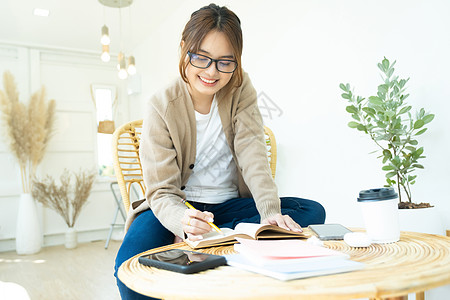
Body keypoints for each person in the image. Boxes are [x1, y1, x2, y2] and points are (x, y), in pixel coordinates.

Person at [114, 4, 326, 299]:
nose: (212, 72)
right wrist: (182, 222)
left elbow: (253, 153)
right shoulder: (161, 105)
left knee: (311, 211)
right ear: (183, 50)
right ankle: (225, 237)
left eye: (225, 62)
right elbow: (161, 191)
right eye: (202, 58)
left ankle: (217, 236)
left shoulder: (241, 88)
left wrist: (269, 212)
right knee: (128, 265)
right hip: (179, 206)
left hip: (229, 205)